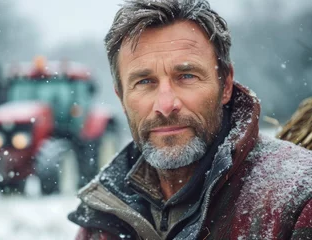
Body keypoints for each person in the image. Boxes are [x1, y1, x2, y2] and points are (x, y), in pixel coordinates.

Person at [68, 0, 312, 239]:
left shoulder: (299, 200)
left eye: (186, 76)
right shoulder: (102, 215)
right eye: (144, 82)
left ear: (225, 84)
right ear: (121, 98)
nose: (166, 105)